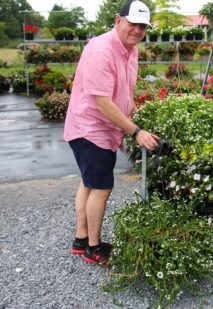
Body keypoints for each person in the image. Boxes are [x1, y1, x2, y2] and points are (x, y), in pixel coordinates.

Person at [63, 0, 160, 267]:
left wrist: (134, 111)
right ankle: (93, 248)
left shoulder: (131, 50)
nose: (138, 30)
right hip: (91, 128)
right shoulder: (101, 50)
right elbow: (102, 102)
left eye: (143, 26)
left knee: (89, 182)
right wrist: (136, 131)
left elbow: (124, 91)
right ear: (118, 20)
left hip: (102, 127)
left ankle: (81, 240)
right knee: (102, 188)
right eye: (133, 23)